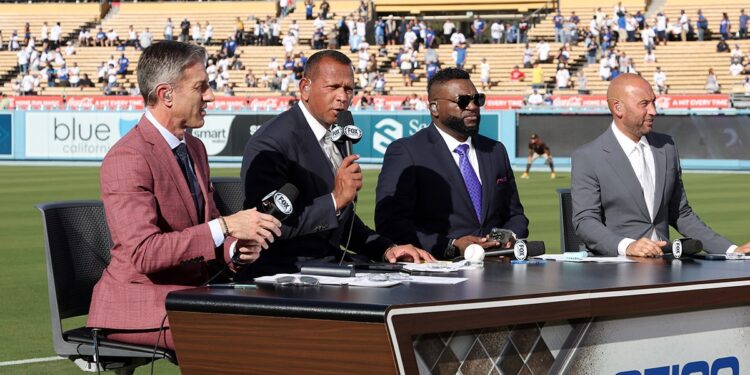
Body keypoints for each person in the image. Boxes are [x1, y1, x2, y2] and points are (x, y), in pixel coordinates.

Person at [87, 41, 283, 350]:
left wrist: (234, 250)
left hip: (190, 295)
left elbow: (210, 223)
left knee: (281, 323)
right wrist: (227, 228)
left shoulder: (194, 148)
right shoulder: (128, 158)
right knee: (248, 340)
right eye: (200, 87)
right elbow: (144, 254)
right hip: (141, 308)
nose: (211, 96)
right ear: (167, 95)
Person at [238, 50, 434, 280]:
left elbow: (344, 223)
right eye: (333, 87)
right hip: (286, 276)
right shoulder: (272, 142)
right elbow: (267, 224)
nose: (343, 97)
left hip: (332, 267)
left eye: (349, 89)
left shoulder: (336, 136)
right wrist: (336, 200)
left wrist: (387, 249)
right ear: (305, 88)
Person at [571, 73, 750, 257]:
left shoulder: (667, 147)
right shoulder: (588, 157)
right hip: (614, 270)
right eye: (644, 104)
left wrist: (731, 250)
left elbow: (681, 213)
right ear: (618, 108)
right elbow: (585, 221)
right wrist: (627, 246)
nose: (653, 111)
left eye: (653, 102)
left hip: (665, 266)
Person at [375, 68, 528, 259]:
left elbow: (516, 215)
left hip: (498, 271)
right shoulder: (406, 152)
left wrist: (510, 236)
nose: (472, 106)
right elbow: (390, 224)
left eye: (477, 99)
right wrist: (452, 245)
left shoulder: (495, 151)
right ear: (434, 108)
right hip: (438, 276)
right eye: (463, 101)